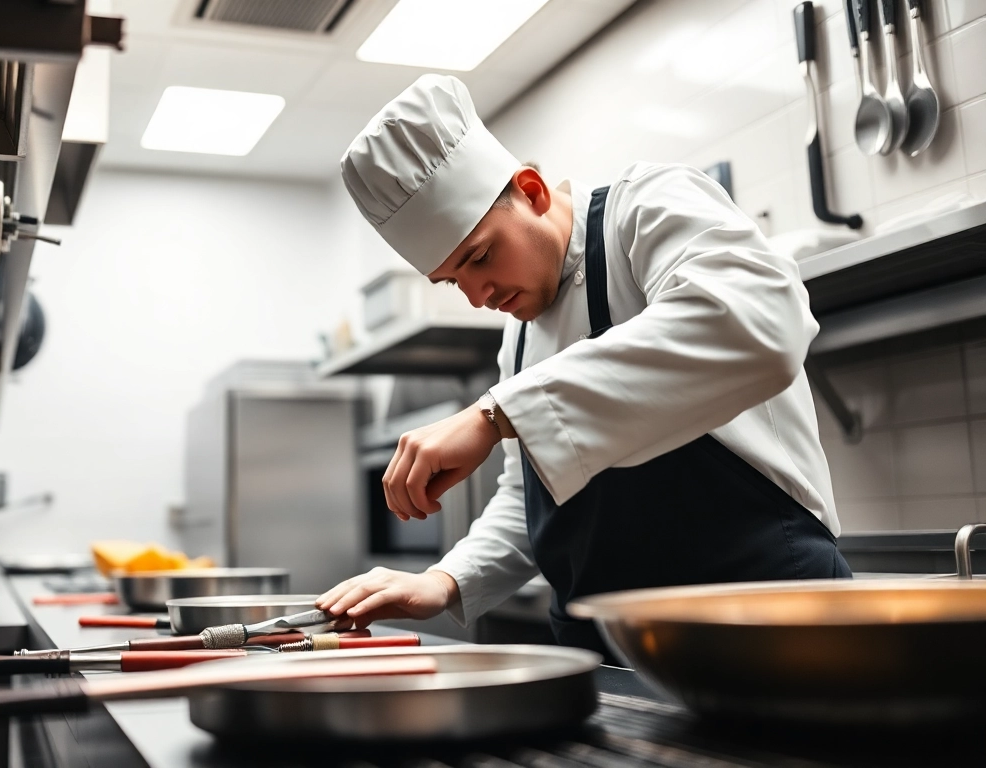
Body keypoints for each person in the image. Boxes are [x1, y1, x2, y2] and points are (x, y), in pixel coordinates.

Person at [318, 74, 850, 655]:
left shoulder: (644, 211)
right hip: (611, 658)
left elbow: (759, 325)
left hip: (764, 627)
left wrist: (495, 414)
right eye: (453, 280)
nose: (479, 295)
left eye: (481, 256)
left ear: (531, 190)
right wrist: (445, 581)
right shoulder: (516, 340)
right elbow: (532, 496)